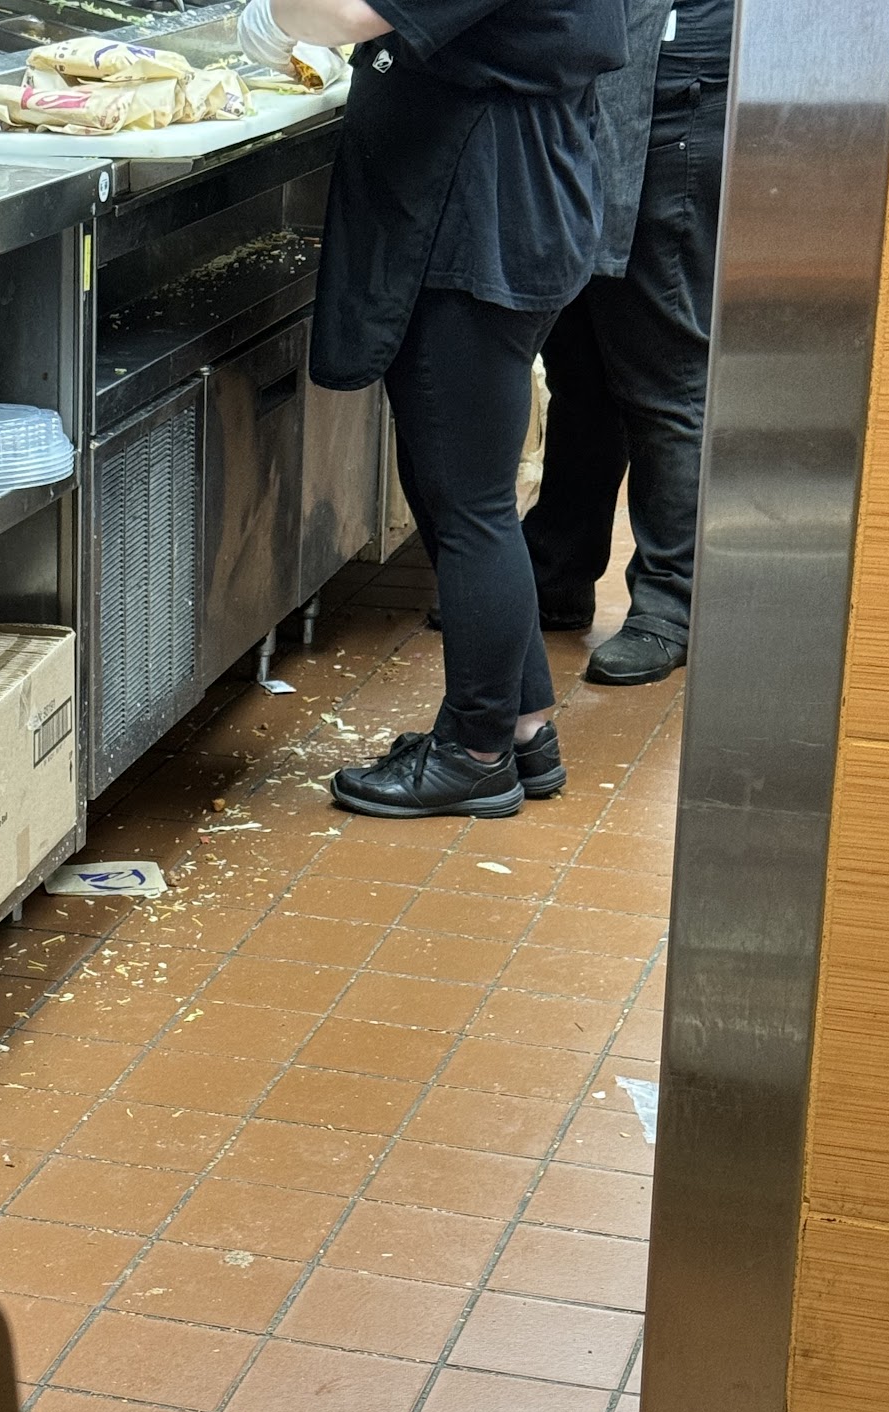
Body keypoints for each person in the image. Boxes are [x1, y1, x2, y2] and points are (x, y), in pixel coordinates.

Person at [238, 0, 628, 819]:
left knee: (467, 503)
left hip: (479, 210)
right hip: (510, 190)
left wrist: (272, 16)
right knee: (456, 492)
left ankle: (476, 756)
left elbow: (348, 11)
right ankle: (521, 727)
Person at [521, 0, 734, 685]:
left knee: (664, 365)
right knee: (580, 361)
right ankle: (557, 571)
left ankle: (672, 604)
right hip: (592, 79)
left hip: (673, 85)